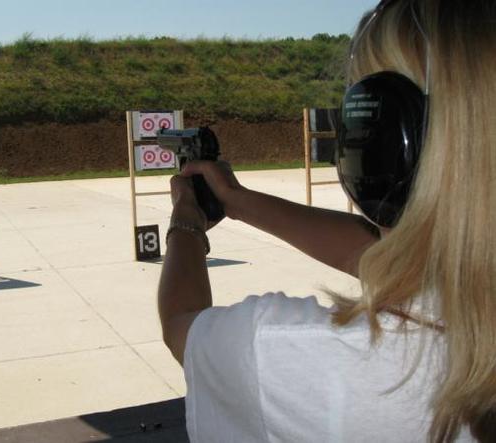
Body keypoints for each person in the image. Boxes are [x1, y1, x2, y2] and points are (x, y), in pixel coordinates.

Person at [157, 0, 495, 441]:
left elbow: (182, 322)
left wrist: (186, 221)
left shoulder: (275, 348)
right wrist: (235, 200)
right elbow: (384, 254)